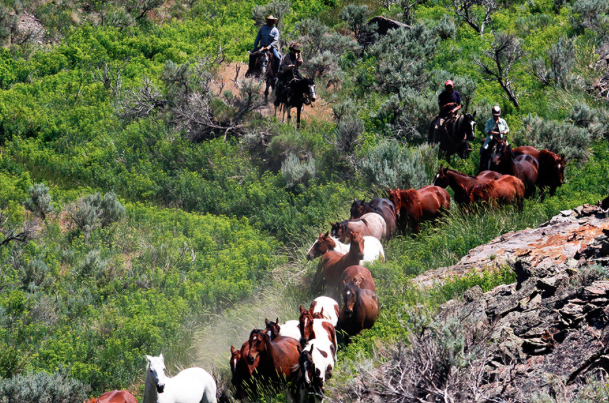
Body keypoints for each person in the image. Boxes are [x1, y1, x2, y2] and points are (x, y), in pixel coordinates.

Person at [480, 105, 510, 170]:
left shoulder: (503, 121)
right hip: (491, 141)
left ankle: (510, 167)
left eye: (497, 115)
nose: (496, 117)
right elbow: (486, 130)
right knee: (484, 151)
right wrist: (492, 132)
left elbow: (507, 129)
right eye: (495, 115)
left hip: (501, 140)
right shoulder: (489, 122)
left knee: (509, 151)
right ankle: (482, 167)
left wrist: (505, 131)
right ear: (493, 114)